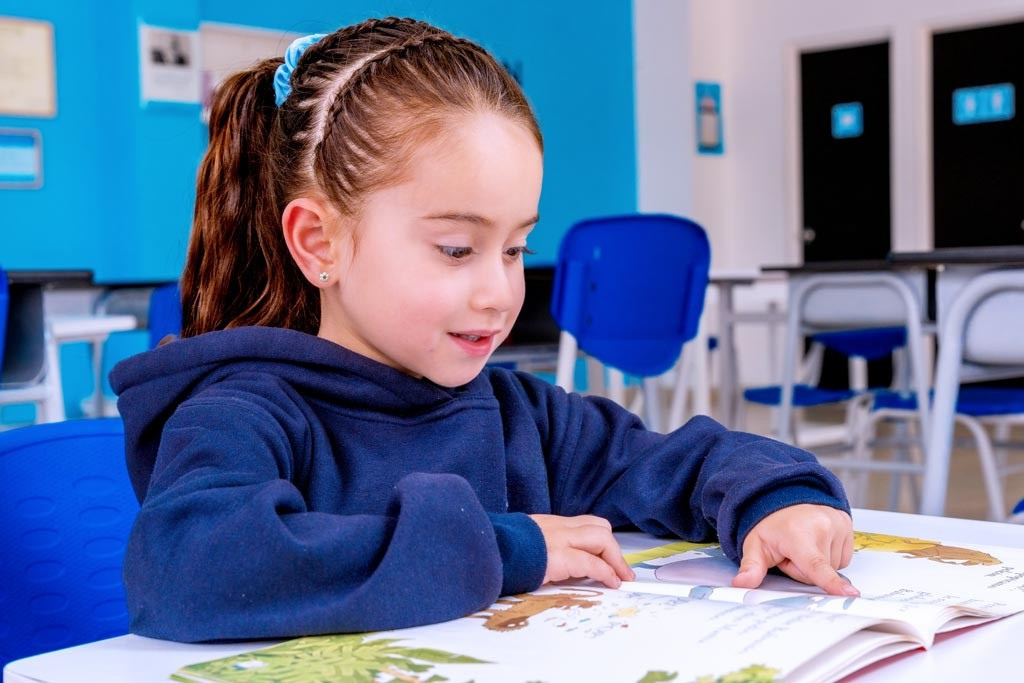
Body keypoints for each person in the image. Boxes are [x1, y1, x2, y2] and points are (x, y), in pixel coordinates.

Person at [110, 16, 857, 644]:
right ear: (319, 243)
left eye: (515, 248)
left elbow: (678, 460)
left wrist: (778, 496)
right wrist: (508, 546)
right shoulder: (242, 412)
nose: (501, 291)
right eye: (457, 249)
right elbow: (186, 566)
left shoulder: (515, 414)